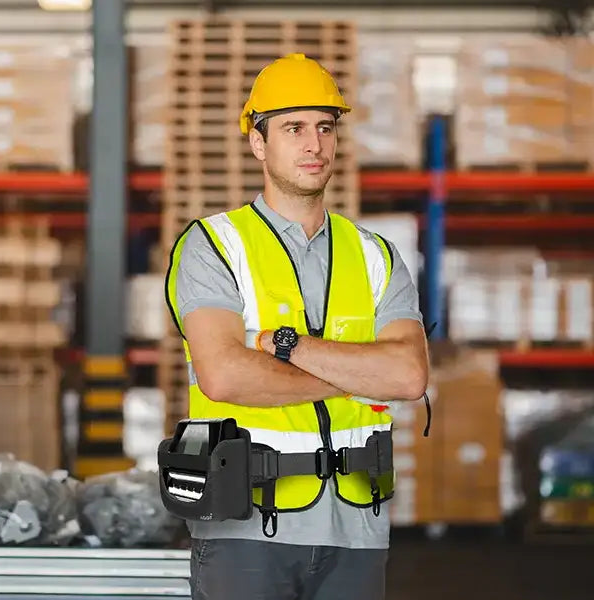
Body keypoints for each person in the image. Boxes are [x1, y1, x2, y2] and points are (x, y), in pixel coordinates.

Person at [165, 53, 429, 600]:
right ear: (258, 143)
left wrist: (287, 348)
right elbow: (225, 376)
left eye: (325, 127)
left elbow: (407, 376)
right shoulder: (213, 246)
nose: (314, 144)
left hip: (357, 526)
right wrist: (359, 375)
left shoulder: (376, 255)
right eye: (293, 128)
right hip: (245, 526)